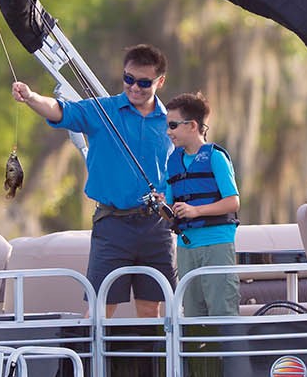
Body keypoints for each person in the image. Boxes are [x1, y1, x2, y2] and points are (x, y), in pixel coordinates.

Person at [12, 44, 175, 318]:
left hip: (156, 226)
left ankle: (151, 350)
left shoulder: (171, 121)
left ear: (160, 82)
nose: (134, 87)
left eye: (144, 82)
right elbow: (60, 110)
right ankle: (92, 350)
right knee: (100, 308)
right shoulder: (102, 109)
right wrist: (31, 97)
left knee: (150, 309)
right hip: (112, 224)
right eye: (129, 79)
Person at [163, 92, 241, 320]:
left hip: (216, 244)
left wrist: (196, 211)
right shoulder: (172, 161)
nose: (168, 132)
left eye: (173, 125)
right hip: (186, 247)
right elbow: (170, 208)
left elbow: (233, 202)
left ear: (192, 125)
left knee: (222, 312)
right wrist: (161, 205)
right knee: (192, 316)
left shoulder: (216, 157)